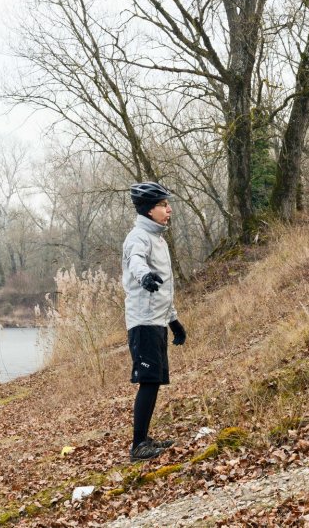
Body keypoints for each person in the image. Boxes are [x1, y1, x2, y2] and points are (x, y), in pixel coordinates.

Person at [122, 181, 187, 461]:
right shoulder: (138, 237)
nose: (168, 209)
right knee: (148, 381)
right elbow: (137, 262)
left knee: (155, 380)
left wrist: (174, 321)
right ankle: (138, 446)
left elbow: (164, 289)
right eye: (163, 205)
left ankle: (145, 439)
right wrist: (144, 276)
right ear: (149, 210)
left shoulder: (158, 239)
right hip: (143, 321)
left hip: (157, 320)